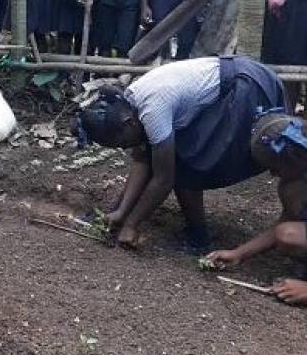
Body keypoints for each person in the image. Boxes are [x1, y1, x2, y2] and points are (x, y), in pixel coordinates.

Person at [77, 56, 287, 251]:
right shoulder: (129, 103)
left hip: (246, 87)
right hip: (235, 79)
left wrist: (131, 225)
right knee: (165, 155)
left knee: (185, 164)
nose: (125, 148)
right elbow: (142, 159)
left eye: (123, 143)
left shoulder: (153, 110)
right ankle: (195, 232)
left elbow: (163, 180)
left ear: (128, 123)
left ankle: (199, 236)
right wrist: (121, 212)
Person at [206, 112, 307, 305]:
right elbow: (286, 221)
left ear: (296, 157)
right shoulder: (295, 183)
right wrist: (238, 253)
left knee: (289, 235)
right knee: (286, 232)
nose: (273, 174)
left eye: (277, 167)